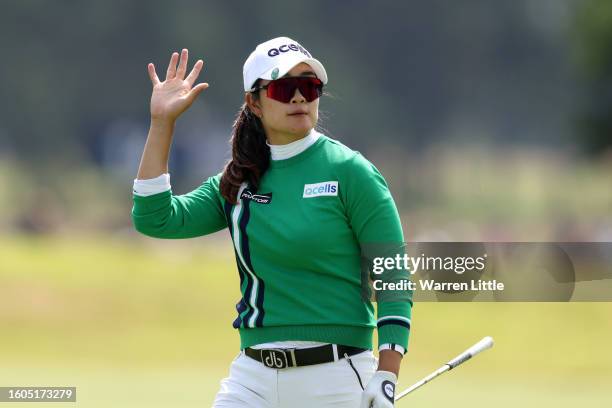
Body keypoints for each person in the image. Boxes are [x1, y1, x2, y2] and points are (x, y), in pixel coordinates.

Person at [131, 36, 413, 408]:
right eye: (284, 88)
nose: (299, 98)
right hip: (253, 377)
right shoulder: (238, 181)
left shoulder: (351, 172)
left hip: (337, 375)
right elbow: (156, 219)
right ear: (255, 102)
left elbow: (392, 271)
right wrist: (161, 123)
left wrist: (387, 373)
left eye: (310, 87)